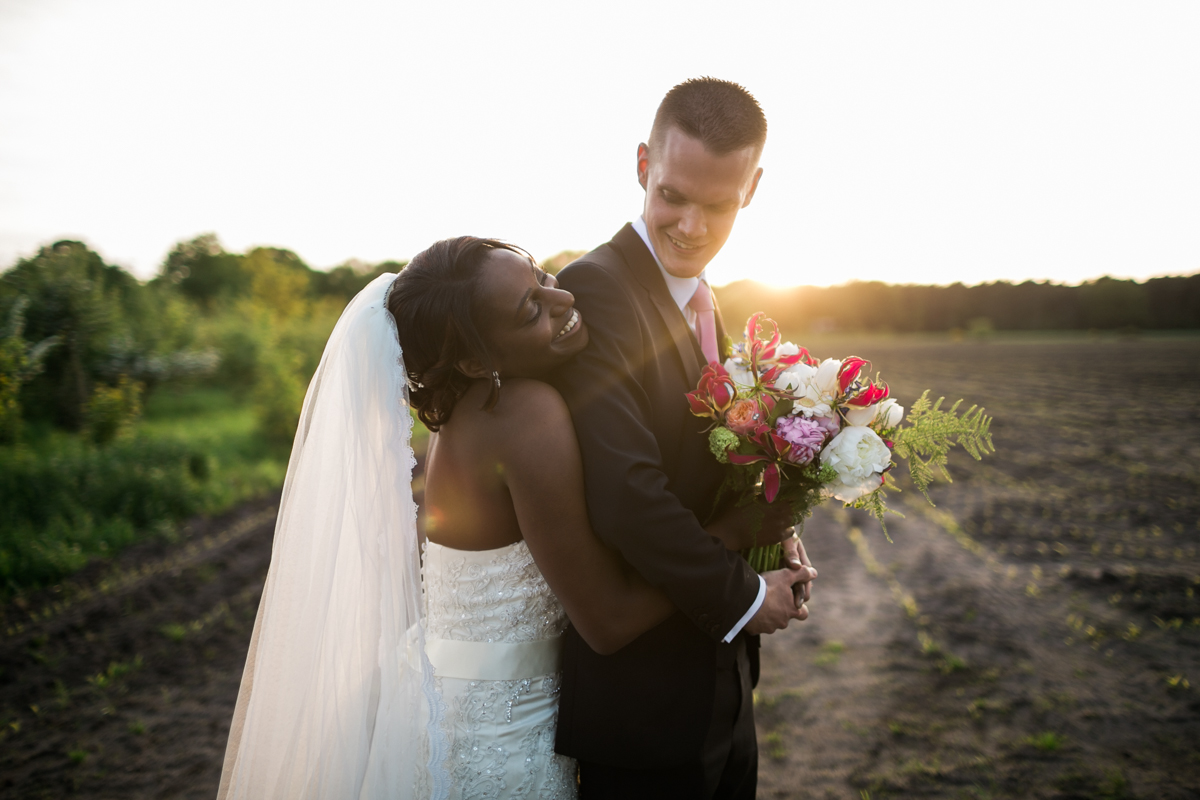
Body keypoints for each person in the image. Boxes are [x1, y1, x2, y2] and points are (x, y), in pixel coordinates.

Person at [216, 237, 813, 799]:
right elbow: (606, 620)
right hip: (501, 736)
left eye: (544, 278)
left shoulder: (466, 415)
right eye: (532, 310)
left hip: (447, 706)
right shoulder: (524, 416)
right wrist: (736, 533)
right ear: (475, 362)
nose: (564, 299)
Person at [548, 77, 797, 798]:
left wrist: (777, 535)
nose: (690, 226)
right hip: (642, 709)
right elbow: (628, 497)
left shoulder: (709, 302)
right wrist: (749, 596)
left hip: (719, 687)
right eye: (672, 196)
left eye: (717, 205)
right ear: (640, 166)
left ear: (751, 189)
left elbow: (712, 470)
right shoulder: (597, 290)